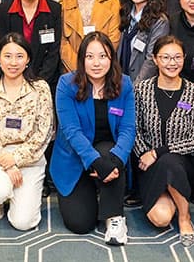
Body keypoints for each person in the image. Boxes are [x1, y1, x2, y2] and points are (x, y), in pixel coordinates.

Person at [51, 32, 135, 245]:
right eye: (90, 57)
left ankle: (115, 217)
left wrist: (114, 163)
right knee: (80, 224)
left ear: (111, 59)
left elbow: (128, 129)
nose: (96, 63)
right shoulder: (66, 84)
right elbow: (71, 131)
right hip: (74, 156)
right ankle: (94, 187)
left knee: (110, 151)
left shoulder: (124, 84)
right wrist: (96, 163)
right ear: (82, 59)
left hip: (108, 152)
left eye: (103, 56)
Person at [133, 36, 194, 247]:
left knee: (169, 162)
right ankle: (172, 197)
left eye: (177, 57)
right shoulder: (141, 90)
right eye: (165, 57)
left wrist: (157, 152)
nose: (171, 63)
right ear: (155, 59)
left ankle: (185, 217)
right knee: (161, 218)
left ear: (184, 59)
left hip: (184, 164)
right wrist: (144, 154)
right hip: (148, 166)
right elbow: (135, 130)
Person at [0, 33, 54, 230]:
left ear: (28, 59)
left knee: (23, 223)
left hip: (30, 159)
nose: (13, 62)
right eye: (7, 56)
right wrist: (9, 165)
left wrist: (17, 159)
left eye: (19, 56)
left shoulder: (40, 88)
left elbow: (44, 132)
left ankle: (16, 195)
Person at [0, 0, 62, 87]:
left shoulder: (54, 9)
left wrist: (40, 82)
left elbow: (54, 51)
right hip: (12, 78)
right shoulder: (4, 10)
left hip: (45, 81)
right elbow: (2, 47)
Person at [60, 0, 121, 73]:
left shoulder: (113, 2)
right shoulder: (64, 4)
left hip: (103, 70)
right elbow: (63, 43)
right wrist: (80, 69)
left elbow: (113, 39)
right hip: (72, 72)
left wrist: (96, 64)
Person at [118, 0, 169, 83]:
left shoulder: (159, 21)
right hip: (120, 82)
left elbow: (151, 59)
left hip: (142, 85)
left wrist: (136, 88)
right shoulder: (125, 13)